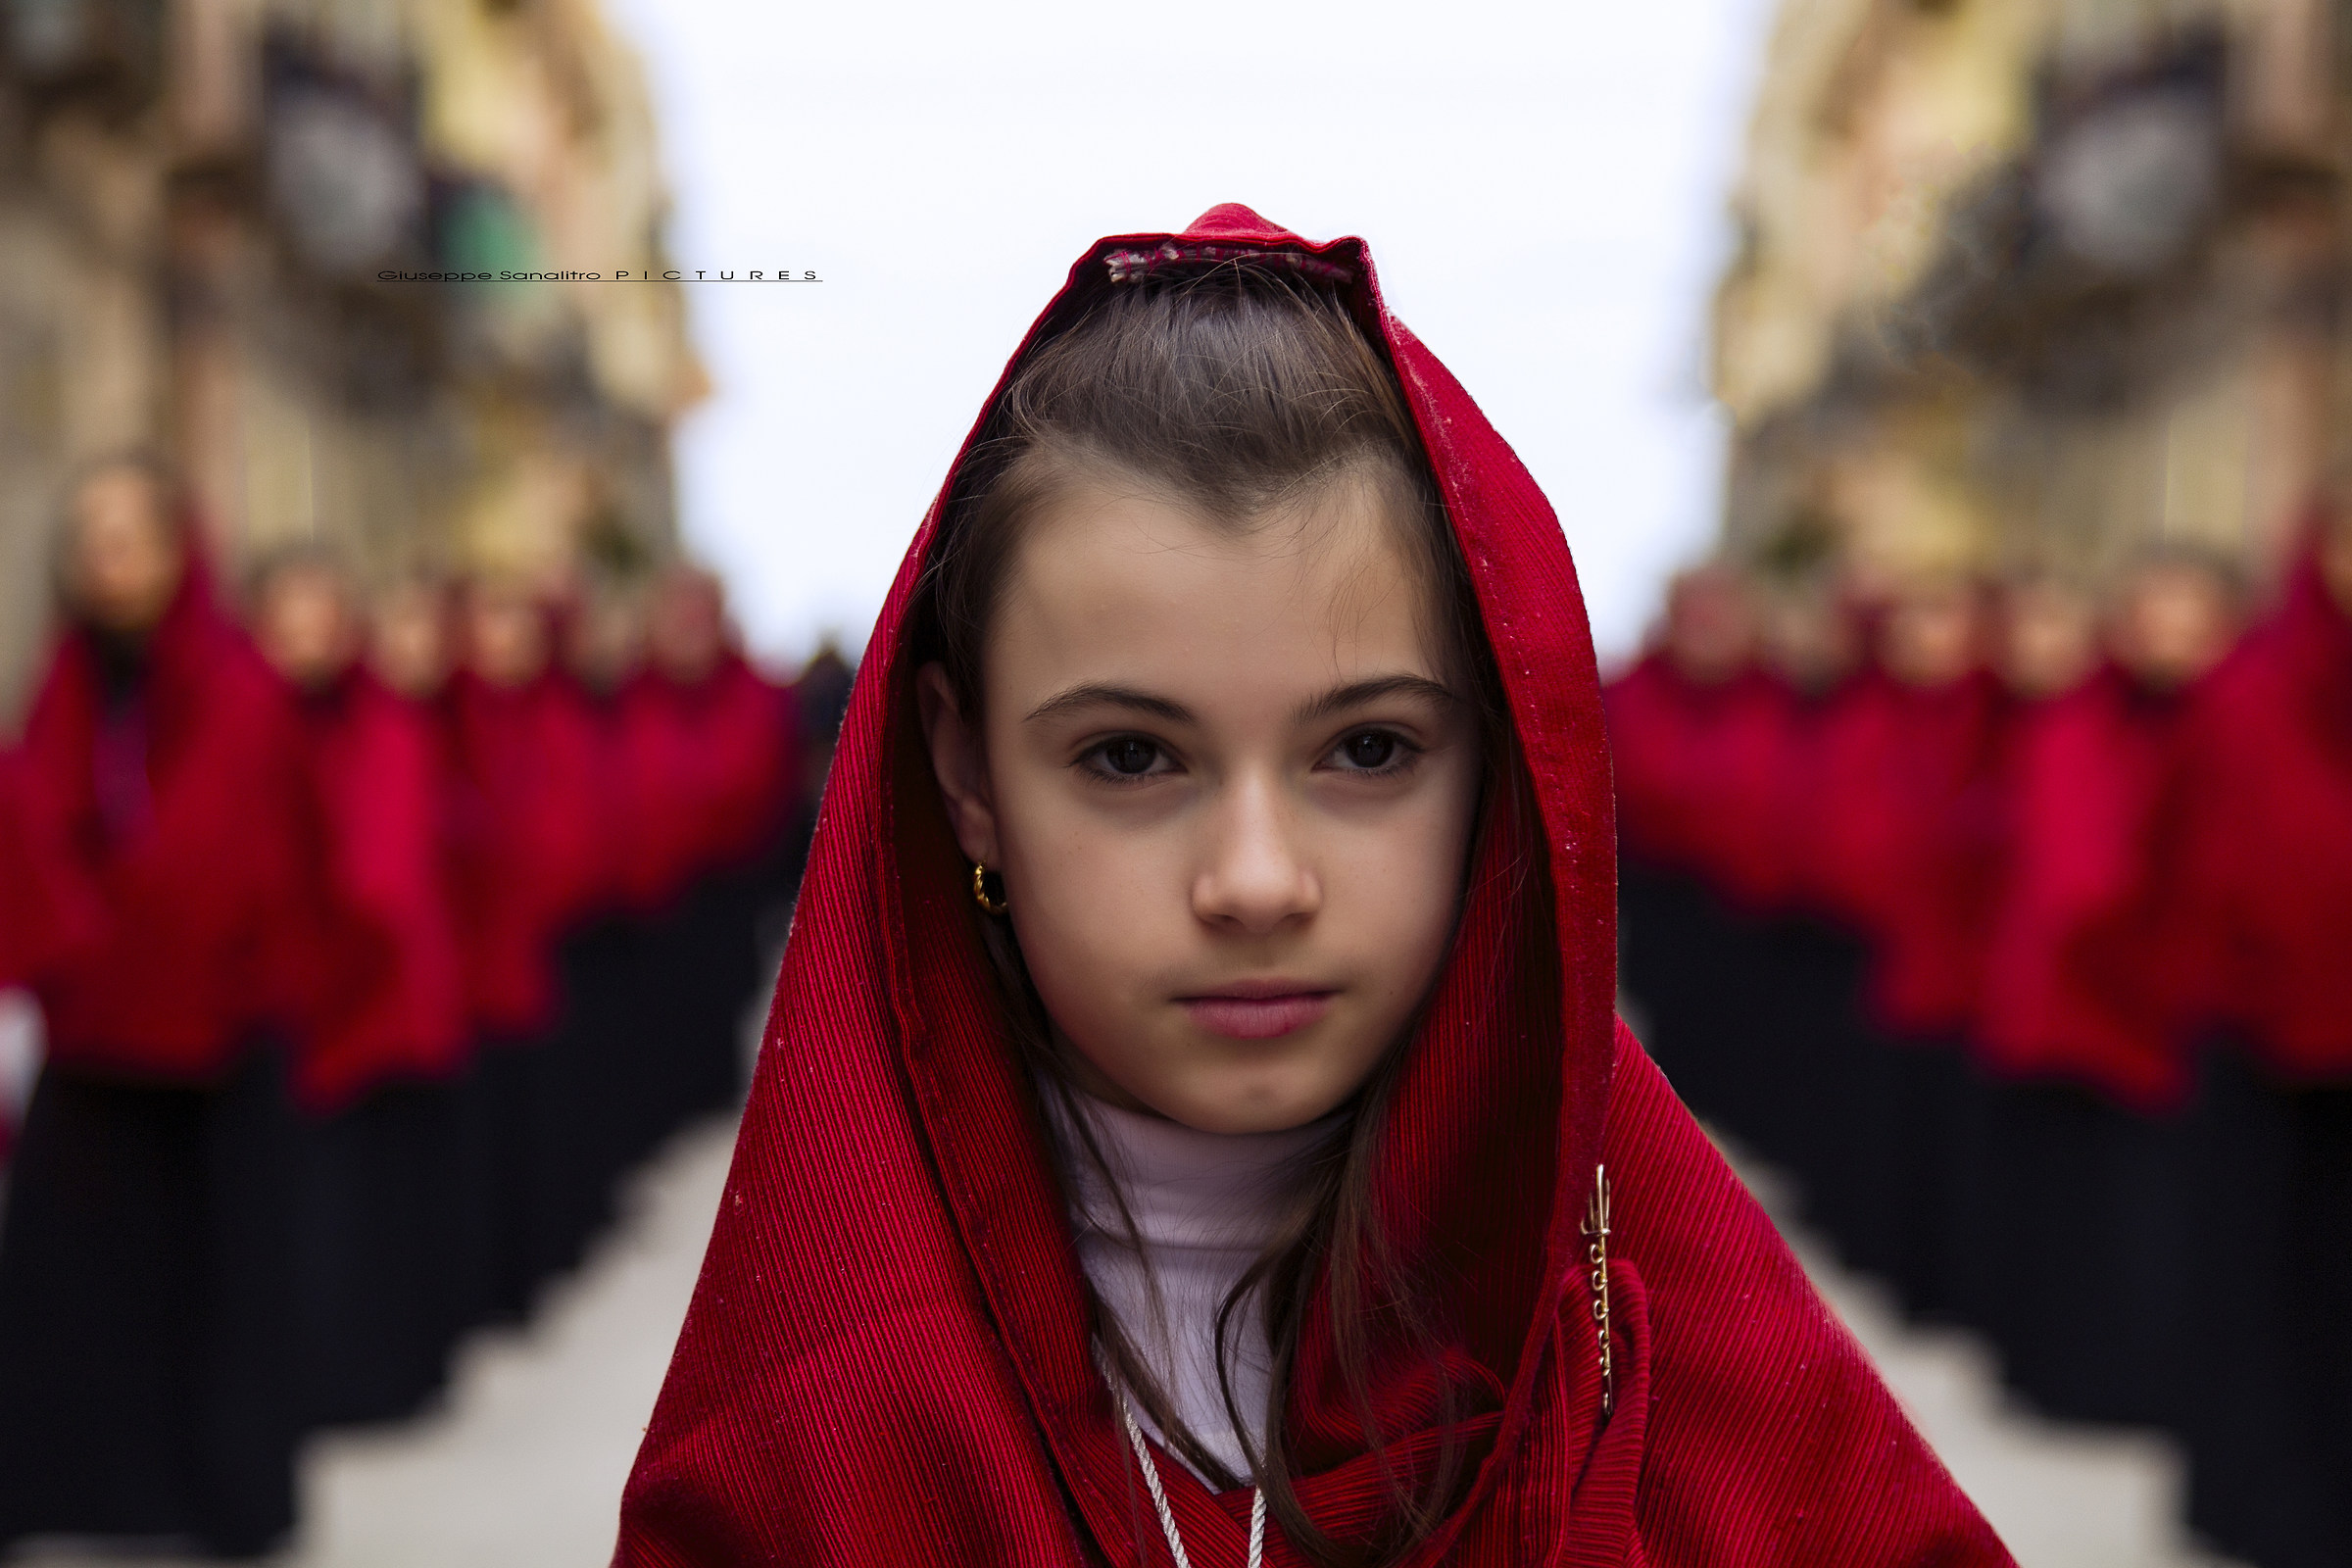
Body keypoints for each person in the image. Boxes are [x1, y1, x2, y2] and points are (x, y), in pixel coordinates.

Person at [613, 208, 2006, 1567]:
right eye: (1130, 756)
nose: (1257, 882)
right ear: (965, 767)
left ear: (1502, 767)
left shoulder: (1688, 1376)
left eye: (1369, 749)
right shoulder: (812, 1447)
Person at [0, 458, 316, 1557]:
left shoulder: (236, 683)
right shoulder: (66, 684)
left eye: (130, 535)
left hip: (210, 1034)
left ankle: (218, 1500)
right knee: (74, 1280)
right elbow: (36, 828)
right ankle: (88, 1493)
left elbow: (222, 855)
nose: (109, 558)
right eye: (90, 537)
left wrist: (108, 936)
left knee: (218, 1287)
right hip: (96, 1032)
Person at [249, 548, 474, 1427]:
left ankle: (379, 1379)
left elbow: (379, 886)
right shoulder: (258, 724)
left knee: (372, 1213)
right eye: (287, 616)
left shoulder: (381, 726)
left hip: (367, 1008)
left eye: (321, 614)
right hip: (298, 1012)